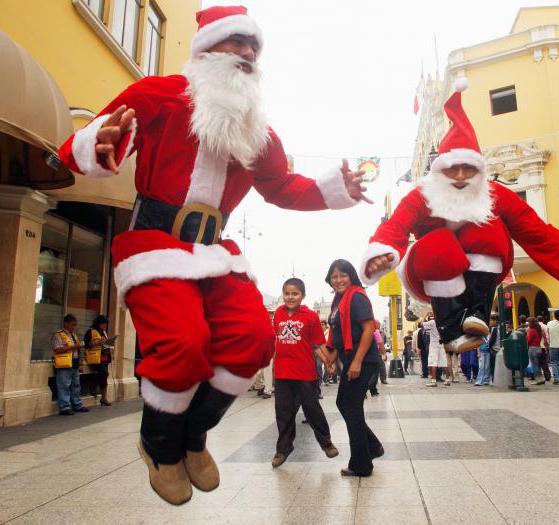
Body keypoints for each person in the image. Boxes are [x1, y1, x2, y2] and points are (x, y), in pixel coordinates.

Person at [57, 5, 371, 505]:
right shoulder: (157, 93)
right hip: (156, 243)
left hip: (216, 249)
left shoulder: (257, 130)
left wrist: (336, 189)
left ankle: (193, 437)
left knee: (250, 339)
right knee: (183, 343)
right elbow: (87, 143)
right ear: (205, 49)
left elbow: (281, 185)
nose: (247, 54)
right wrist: (102, 143)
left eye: (254, 48)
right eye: (237, 44)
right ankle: (160, 446)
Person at [360, 81, 559, 356]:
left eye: (469, 169)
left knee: (487, 229)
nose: (462, 177)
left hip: (481, 270)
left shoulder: (495, 194)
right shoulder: (423, 195)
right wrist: (381, 253)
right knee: (440, 243)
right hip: (429, 268)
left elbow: (544, 239)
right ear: (440, 171)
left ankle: (476, 312)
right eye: (453, 169)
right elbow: (395, 226)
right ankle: (451, 329)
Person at [271, 278, 338, 468]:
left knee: (312, 409)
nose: (290, 297)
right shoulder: (278, 313)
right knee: (283, 412)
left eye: (295, 294)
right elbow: (276, 340)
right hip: (283, 373)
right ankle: (283, 449)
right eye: (287, 293)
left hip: (305, 373)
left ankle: (326, 443)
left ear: (303, 296)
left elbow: (317, 344)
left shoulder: (310, 316)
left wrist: (328, 361)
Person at [325, 260, 383, 477]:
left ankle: (362, 464)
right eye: (334, 276)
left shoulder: (356, 296)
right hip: (350, 358)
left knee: (351, 407)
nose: (338, 280)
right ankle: (372, 446)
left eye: (343, 275)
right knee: (346, 404)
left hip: (363, 358)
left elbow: (369, 329)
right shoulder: (338, 300)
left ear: (351, 277)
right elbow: (336, 334)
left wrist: (357, 361)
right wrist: (330, 355)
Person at [52, 314, 90, 416]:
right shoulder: (58, 335)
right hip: (64, 364)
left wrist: (81, 363)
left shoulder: (74, 335)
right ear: (66, 324)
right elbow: (57, 349)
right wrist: (73, 347)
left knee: (76, 385)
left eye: (75, 325)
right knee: (64, 385)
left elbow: (79, 349)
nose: (73, 327)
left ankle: (77, 404)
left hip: (75, 363)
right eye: (72, 325)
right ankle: (65, 406)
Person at [84, 315, 114, 406]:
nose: (105, 326)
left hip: (105, 357)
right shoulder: (91, 332)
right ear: (98, 323)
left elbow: (105, 344)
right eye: (103, 324)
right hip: (95, 357)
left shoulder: (104, 333)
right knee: (104, 374)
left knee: (104, 376)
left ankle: (104, 398)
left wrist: (109, 342)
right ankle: (95, 389)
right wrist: (97, 343)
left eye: (106, 324)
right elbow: (86, 344)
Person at [422, 314, 450, 387]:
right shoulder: (444, 322)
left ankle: (433, 381)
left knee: (432, 362)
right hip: (441, 344)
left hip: (434, 345)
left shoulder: (432, 322)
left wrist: (424, 316)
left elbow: (422, 324)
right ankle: (447, 379)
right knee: (444, 362)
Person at [526, 317, 547, 386]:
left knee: (534, 365)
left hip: (533, 349)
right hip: (538, 348)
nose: (528, 324)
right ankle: (541, 378)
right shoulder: (538, 329)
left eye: (528, 322)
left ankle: (538, 379)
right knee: (538, 364)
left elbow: (528, 340)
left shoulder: (531, 330)